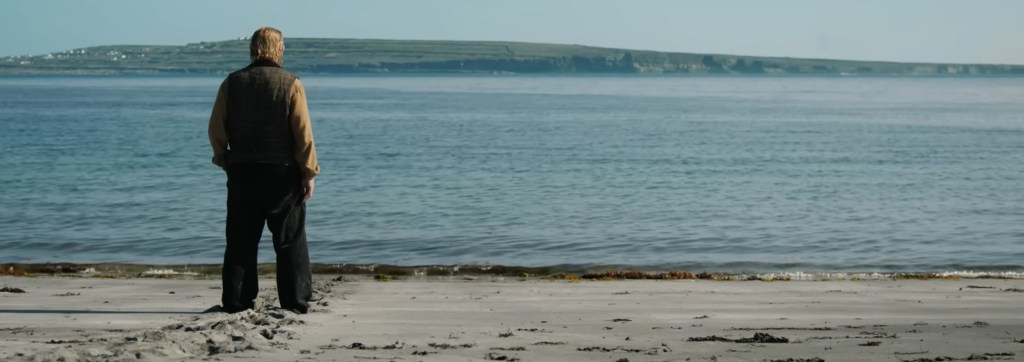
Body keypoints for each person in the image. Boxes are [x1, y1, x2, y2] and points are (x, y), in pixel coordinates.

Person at [208, 27, 319, 314]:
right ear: (278, 49)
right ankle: (295, 300)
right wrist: (308, 172)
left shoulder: (231, 83)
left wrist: (223, 158)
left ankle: (237, 299)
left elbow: (216, 128)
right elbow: (303, 134)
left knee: (241, 239)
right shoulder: (291, 83)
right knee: (289, 240)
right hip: (282, 173)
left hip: (242, 170)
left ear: (252, 48)